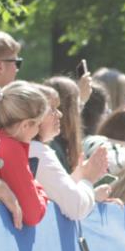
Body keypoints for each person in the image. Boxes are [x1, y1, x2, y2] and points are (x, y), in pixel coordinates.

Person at [0, 81, 49, 227]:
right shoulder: (11, 149)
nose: (39, 130)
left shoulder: (1, 142)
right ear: (25, 125)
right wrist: (42, 192)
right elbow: (33, 215)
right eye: (38, 124)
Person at [32, 83, 111, 221]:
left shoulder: (35, 149)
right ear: (34, 116)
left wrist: (79, 176)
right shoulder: (38, 151)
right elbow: (76, 207)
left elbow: (57, 191)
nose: (60, 114)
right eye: (52, 109)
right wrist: (88, 179)